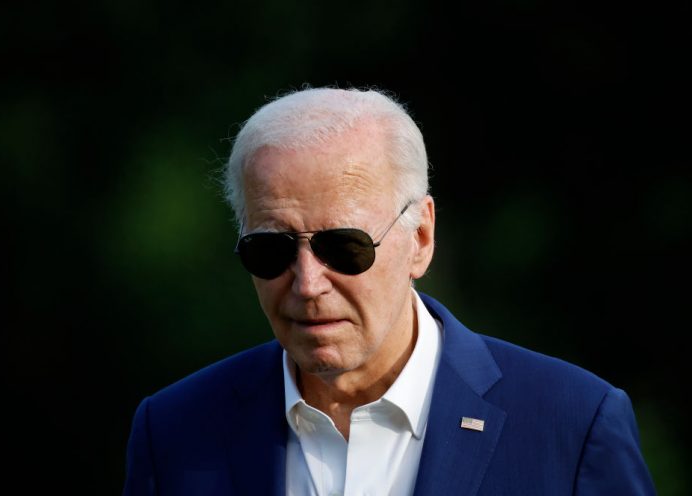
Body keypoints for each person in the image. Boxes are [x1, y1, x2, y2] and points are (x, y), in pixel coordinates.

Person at [123, 87, 656, 495]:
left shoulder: (572, 425)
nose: (308, 284)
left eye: (344, 247)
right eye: (272, 250)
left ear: (420, 239)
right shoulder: (174, 432)